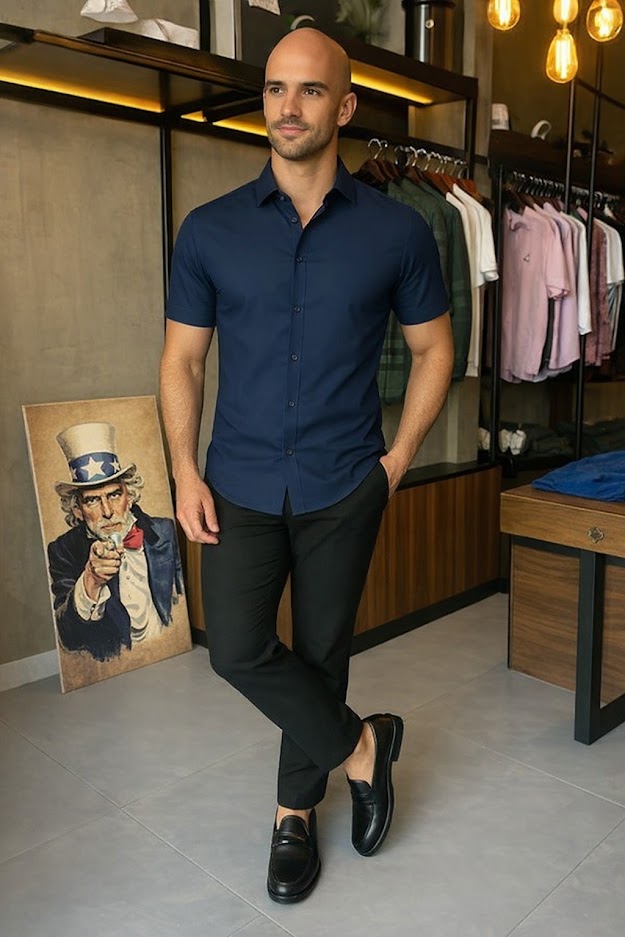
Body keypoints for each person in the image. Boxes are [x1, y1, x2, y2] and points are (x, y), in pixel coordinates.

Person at [160, 27, 453, 903]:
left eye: (310, 90)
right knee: (235, 647)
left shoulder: (399, 231)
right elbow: (182, 361)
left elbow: (435, 349)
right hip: (237, 480)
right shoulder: (209, 230)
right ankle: (363, 746)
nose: (288, 107)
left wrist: (396, 460)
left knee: (322, 652)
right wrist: (183, 470)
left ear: (345, 106)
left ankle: (293, 814)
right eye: (276, 89)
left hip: (344, 478)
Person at [48, 421, 183, 662]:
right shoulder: (62, 550)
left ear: (129, 496)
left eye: (114, 495)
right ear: (78, 510)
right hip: (115, 664)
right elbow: (68, 638)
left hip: (172, 651)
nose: (108, 511)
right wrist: (91, 581)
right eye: (92, 500)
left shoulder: (164, 531)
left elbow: (180, 602)